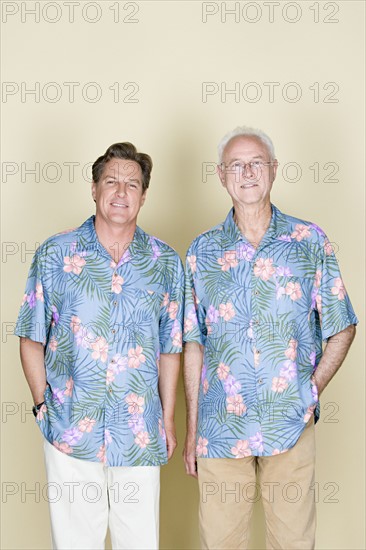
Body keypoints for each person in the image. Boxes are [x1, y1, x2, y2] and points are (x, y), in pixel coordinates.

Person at [182, 126, 358, 550]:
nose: (247, 173)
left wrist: (311, 389)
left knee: (294, 541)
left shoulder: (309, 241)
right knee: (220, 542)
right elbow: (193, 342)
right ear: (222, 175)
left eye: (256, 163)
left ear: (274, 171)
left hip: (290, 423)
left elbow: (343, 324)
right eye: (236, 165)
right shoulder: (200, 252)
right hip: (220, 426)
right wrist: (192, 428)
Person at [15, 142, 184, 550]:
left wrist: (168, 419)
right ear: (94, 189)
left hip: (139, 431)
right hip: (71, 427)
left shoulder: (165, 262)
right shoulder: (55, 254)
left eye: (132, 184)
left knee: (140, 543)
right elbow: (30, 336)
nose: (121, 192)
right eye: (111, 182)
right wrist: (43, 405)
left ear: (144, 196)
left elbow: (170, 348)